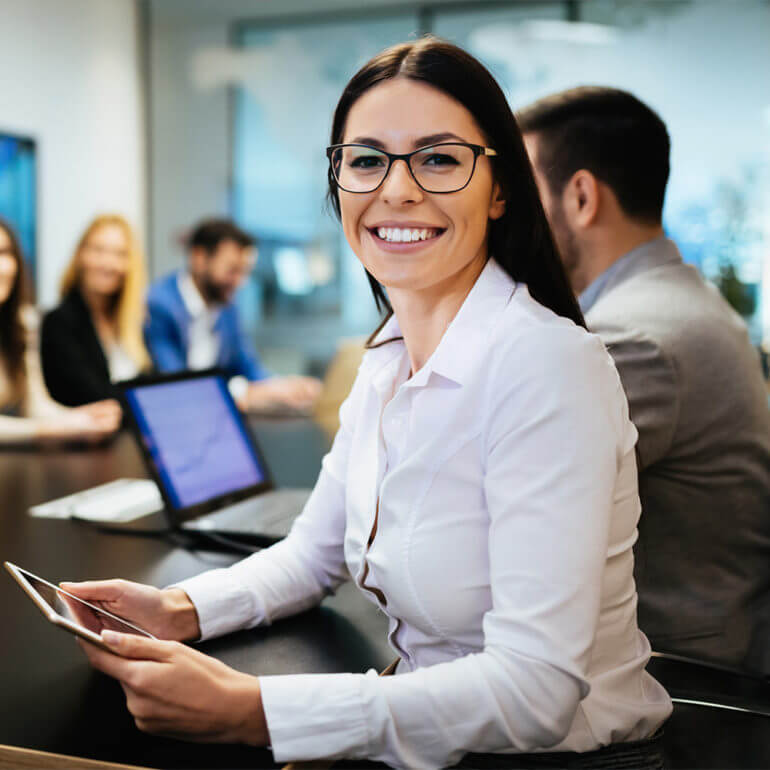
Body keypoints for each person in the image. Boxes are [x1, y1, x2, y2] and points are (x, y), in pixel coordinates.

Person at [65, 39, 671, 769]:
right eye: (366, 159)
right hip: (433, 736)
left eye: (440, 158)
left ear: (500, 188)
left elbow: (535, 690)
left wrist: (255, 712)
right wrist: (180, 610)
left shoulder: (547, 367)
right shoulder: (387, 355)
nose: (398, 189)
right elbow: (311, 557)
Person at [518, 87, 770, 673]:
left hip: (675, 688)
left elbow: (490, 515)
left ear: (581, 196)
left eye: (523, 197)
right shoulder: (677, 301)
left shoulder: (635, 339)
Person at [143, 218, 320, 412]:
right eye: (232, 270)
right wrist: (246, 392)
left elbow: (248, 365)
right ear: (200, 258)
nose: (240, 282)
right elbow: (177, 383)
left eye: (244, 272)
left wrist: (283, 386)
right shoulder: (160, 304)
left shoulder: (226, 306)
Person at [0, 218, 120, 443]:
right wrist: (48, 429)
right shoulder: (61, 320)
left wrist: (81, 418)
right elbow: (41, 424)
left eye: (4, 253)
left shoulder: (24, 323)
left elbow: (35, 406)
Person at [41, 214, 150, 406]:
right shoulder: (59, 323)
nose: (107, 263)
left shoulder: (135, 320)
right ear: (80, 255)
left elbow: (152, 381)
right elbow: (91, 396)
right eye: (98, 250)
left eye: (119, 254)